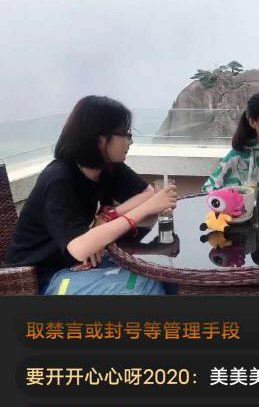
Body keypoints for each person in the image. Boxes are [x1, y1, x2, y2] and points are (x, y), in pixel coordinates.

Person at [5, 95, 177, 294]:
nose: (130, 142)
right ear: (100, 139)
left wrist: (108, 217)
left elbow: (147, 193)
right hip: (43, 278)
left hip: (81, 263)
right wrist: (146, 209)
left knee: (165, 277)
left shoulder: (107, 167)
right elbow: (80, 248)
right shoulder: (59, 180)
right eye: (126, 134)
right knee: (145, 287)